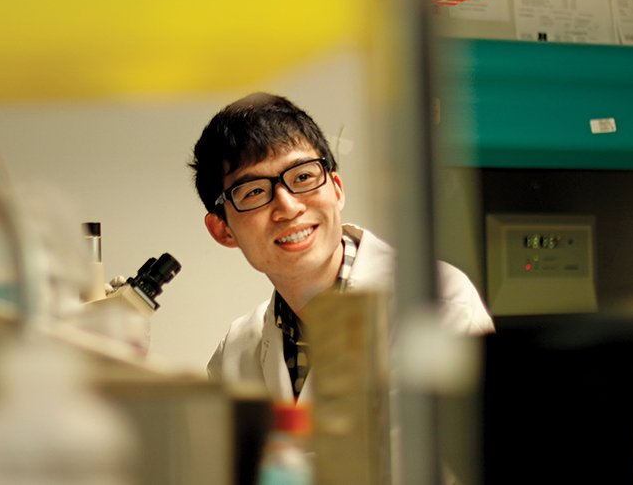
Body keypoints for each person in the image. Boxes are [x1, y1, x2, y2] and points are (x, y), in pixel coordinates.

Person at [189, 92, 494, 403]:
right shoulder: (237, 353)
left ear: (336, 189)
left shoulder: (436, 302)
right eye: (253, 192)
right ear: (223, 229)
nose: (288, 206)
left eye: (303, 176)